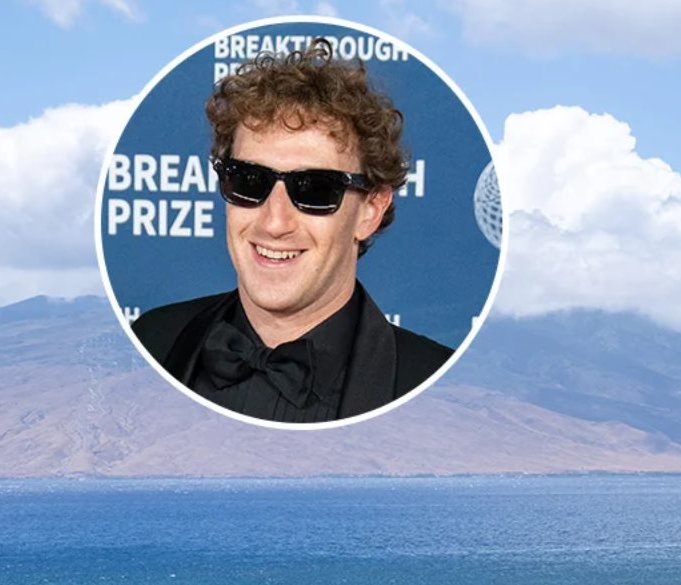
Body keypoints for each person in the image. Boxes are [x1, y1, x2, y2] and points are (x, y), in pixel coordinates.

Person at [132, 39, 453, 423]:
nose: (274, 222)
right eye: (249, 181)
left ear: (370, 210)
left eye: (315, 190)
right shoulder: (151, 341)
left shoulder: (438, 388)